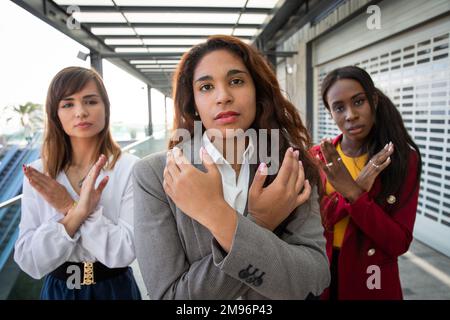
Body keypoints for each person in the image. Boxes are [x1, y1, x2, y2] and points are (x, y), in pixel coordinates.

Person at [133, 35, 330, 300]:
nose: (223, 97)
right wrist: (260, 224)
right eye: (206, 87)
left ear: (257, 91)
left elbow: (313, 278)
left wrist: (219, 217)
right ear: (192, 102)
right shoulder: (155, 175)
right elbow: (171, 297)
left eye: (236, 81)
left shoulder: (290, 164)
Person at [14, 66, 142, 300]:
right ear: (55, 114)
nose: (81, 112)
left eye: (91, 101)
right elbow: (29, 260)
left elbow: (124, 251)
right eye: (68, 104)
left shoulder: (130, 168)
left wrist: (67, 206)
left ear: (106, 109)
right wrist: (76, 212)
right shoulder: (38, 172)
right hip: (58, 291)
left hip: (114, 288)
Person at [310, 65, 422, 300]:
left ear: (374, 101)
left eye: (358, 101)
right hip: (322, 271)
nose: (350, 115)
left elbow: (398, 242)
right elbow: (315, 223)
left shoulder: (401, 159)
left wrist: (355, 194)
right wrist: (353, 191)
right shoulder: (318, 157)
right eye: (339, 107)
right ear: (330, 113)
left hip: (372, 278)